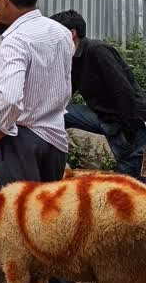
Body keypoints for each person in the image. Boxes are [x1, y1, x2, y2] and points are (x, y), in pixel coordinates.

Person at [0, 0, 79, 283]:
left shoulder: (15, 39)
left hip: (22, 136)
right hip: (55, 136)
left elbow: (9, 95)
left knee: (24, 225)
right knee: (51, 218)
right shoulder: (60, 32)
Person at [50, 10, 146, 182]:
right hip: (101, 117)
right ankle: (54, 172)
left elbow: (123, 92)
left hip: (127, 124)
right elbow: (65, 91)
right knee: (55, 113)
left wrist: (127, 134)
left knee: (132, 184)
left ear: (71, 34)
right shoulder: (72, 57)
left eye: (54, 33)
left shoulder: (98, 50)